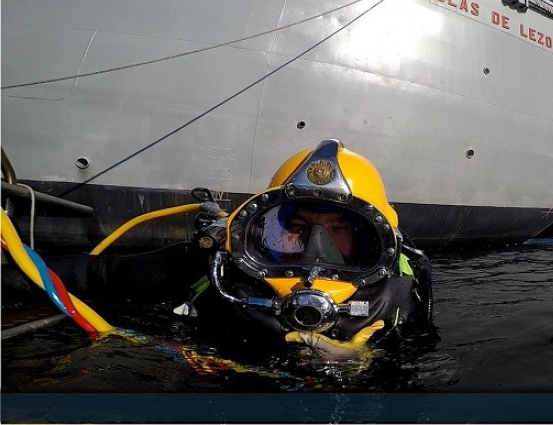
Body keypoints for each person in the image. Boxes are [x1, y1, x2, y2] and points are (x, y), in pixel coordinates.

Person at [2, 139, 433, 360]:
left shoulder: (397, 298)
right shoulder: (216, 271)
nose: (315, 247)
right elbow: (100, 274)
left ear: (376, 238)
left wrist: (367, 362)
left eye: (339, 228)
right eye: (296, 226)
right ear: (262, 227)